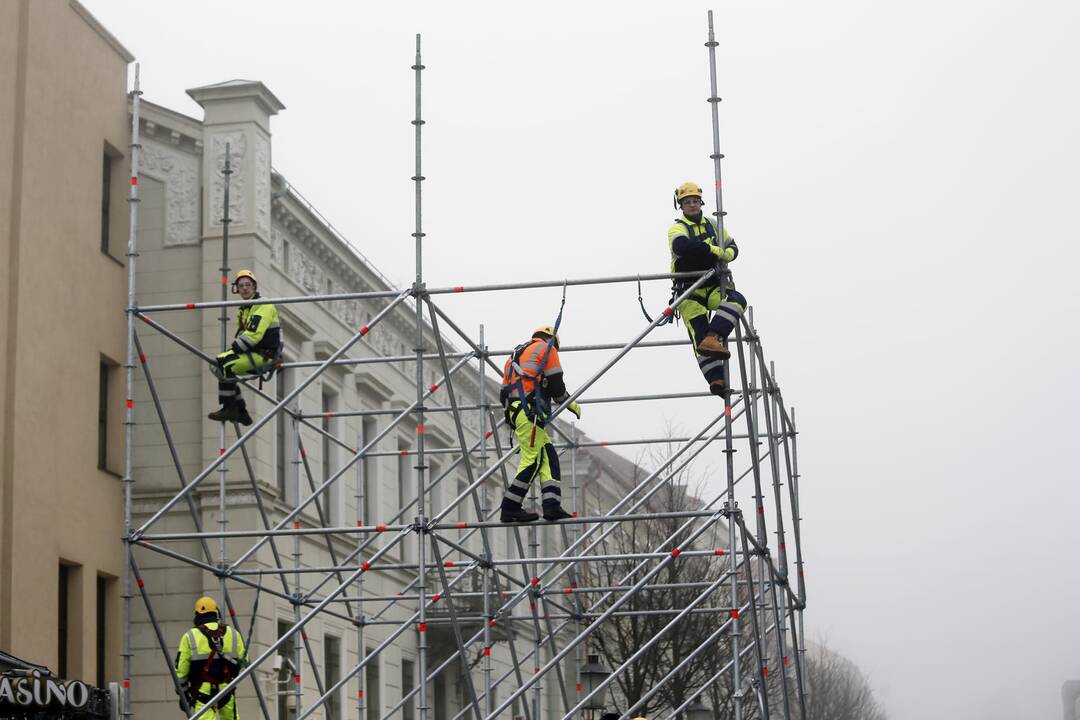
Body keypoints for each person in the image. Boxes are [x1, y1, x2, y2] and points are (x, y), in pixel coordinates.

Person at [667, 181, 747, 396]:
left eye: (695, 201)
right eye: (687, 202)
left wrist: (727, 253)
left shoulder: (713, 224)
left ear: (700, 203)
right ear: (681, 206)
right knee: (698, 337)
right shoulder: (678, 228)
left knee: (737, 300)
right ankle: (716, 380)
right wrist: (713, 250)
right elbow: (683, 248)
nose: (692, 205)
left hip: (713, 285)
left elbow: (732, 246)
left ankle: (715, 336)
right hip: (689, 291)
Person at [498, 326, 582, 523]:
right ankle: (510, 508)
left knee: (548, 457)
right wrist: (571, 403)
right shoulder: (548, 349)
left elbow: (504, 393)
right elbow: (556, 386)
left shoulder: (515, 356)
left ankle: (552, 506)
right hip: (529, 412)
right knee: (532, 460)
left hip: (518, 412)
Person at [208, 270, 281, 425]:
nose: (245, 288)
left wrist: (233, 350)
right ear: (237, 289)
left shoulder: (263, 305)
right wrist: (230, 351)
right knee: (216, 364)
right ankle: (240, 411)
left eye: (248, 285)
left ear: (254, 286)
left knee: (227, 366)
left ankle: (230, 409)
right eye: (241, 286)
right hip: (253, 352)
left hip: (263, 356)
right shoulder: (245, 308)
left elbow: (253, 335)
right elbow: (243, 334)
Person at [175, 596, 245, 719]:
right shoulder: (233, 634)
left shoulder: (190, 636)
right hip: (227, 689)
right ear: (216, 612)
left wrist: (183, 694)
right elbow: (245, 662)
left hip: (202, 693)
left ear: (197, 614)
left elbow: (181, 671)